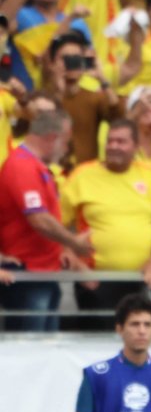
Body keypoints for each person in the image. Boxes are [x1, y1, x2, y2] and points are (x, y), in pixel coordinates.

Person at [62, 121, 151, 327]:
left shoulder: (150, 174)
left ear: (136, 146)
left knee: (144, 343)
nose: (113, 146)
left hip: (145, 279)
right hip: (95, 281)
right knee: (97, 346)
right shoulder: (82, 174)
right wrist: (77, 266)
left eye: (121, 141)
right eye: (110, 141)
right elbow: (56, 225)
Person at [0, 110, 89, 331]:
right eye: (66, 142)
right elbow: (38, 219)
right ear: (52, 138)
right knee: (30, 349)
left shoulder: (33, 166)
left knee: (45, 349)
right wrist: (73, 242)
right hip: (28, 274)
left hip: (41, 272)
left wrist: (61, 249)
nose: (66, 149)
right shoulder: (22, 167)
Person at [47, 31, 122, 164]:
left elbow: (118, 119)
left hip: (86, 174)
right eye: (65, 59)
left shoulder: (92, 98)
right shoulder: (44, 99)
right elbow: (48, 128)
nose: (71, 64)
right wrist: (59, 92)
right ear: (52, 63)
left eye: (76, 58)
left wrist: (102, 78)